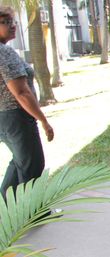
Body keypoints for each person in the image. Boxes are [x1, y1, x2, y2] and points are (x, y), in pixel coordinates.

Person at [0, 6, 54, 198]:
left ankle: (5, 209)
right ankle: (32, 212)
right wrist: (43, 120)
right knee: (32, 165)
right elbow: (21, 92)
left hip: (5, 119)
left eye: (13, 21)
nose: (12, 26)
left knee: (20, 162)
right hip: (17, 116)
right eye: (5, 22)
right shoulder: (4, 53)